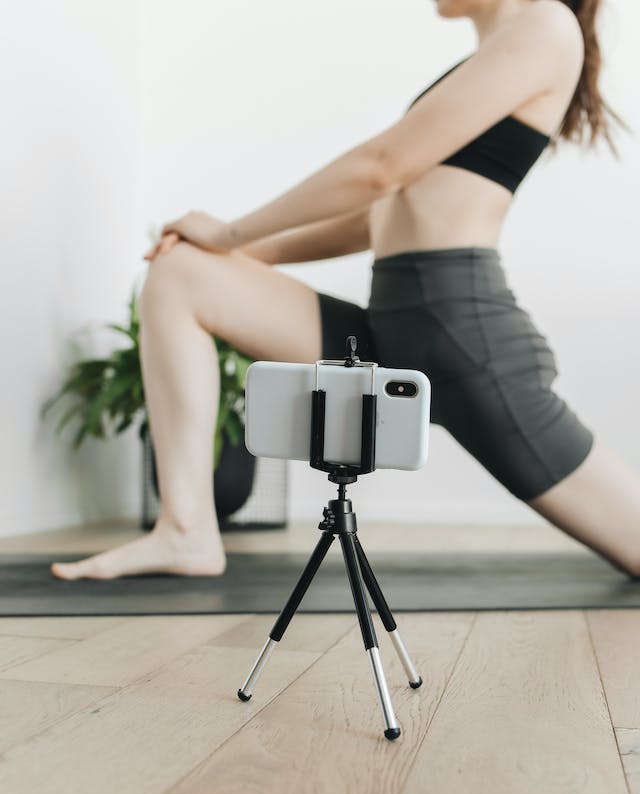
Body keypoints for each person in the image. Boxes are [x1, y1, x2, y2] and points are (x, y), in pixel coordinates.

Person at [52, 0, 636, 581]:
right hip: (394, 327)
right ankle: (185, 532)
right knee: (182, 276)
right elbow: (382, 211)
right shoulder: (491, 58)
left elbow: (381, 167)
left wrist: (231, 230)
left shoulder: (546, 25)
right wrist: (234, 254)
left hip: (467, 343)